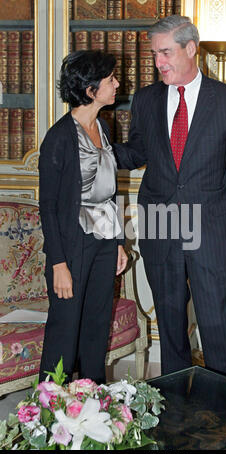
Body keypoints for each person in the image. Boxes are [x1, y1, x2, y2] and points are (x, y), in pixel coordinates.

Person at [113, 15, 226, 383]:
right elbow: (136, 153)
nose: (158, 62)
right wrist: (94, 148)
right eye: (155, 54)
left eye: (165, 52)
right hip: (162, 223)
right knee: (171, 326)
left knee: (220, 327)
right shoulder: (146, 99)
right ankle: (177, 414)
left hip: (212, 229)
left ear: (191, 48)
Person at [38, 50, 128, 384]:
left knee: (95, 330)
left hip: (104, 242)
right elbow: (47, 205)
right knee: (64, 333)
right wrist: (58, 263)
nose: (117, 84)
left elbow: (108, 190)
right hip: (71, 245)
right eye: (111, 80)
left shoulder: (103, 127)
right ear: (91, 91)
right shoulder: (60, 137)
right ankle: (47, 418)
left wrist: (117, 242)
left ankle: (96, 410)